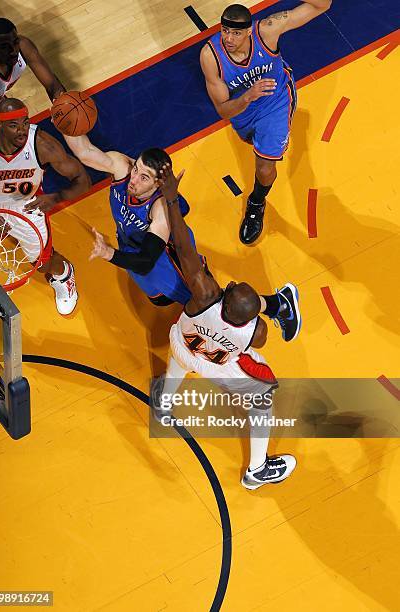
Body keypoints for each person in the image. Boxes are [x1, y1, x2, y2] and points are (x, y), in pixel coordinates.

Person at [151, 164, 302, 490]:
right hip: (215, 362)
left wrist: (172, 200)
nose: (230, 281)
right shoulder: (254, 333)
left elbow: (181, 243)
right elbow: (256, 336)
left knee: (179, 360)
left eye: (232, 286)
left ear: (226, 296)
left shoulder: (204, 294)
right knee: (262, 399)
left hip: (182, 345)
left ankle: (163, 407)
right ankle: (256, 471)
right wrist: (265, 307)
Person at [200, 1, 331, 244]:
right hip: (243, 108)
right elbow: (222, 111)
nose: (228, 38)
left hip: (276, 101)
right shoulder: (210, 56)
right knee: (250, 140)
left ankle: (256, 203)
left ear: (249, 31)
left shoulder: (268, 30)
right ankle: (264, 143)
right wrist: (248, 96)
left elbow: (322, 6)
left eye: (236, 33)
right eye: (225, 31)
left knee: (264, 167)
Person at [65, 134, 205, 306]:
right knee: (155, 298)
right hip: (132, 247)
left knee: (197, 298)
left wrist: (108, 253)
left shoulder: (160, 208)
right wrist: (62, 119)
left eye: (144, 177)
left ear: (158, 184)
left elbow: (146, 262)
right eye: (136, 169)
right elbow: (84, 151)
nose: (134, 179)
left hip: (162, 256)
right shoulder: (123, 167)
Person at [0, 98, 91, 314]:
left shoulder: (43, 145)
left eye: (25, 123)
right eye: (14, 125)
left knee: (43, 265)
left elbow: (83, 180)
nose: (22, 131)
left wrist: (55, 198)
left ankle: (63, 274)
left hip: (27, 205)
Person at [0, 17, 66, 117]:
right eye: (4, 47)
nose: (13, 50)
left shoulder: (24, 47)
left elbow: (53, 86)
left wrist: (63, 110)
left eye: (15, 42)